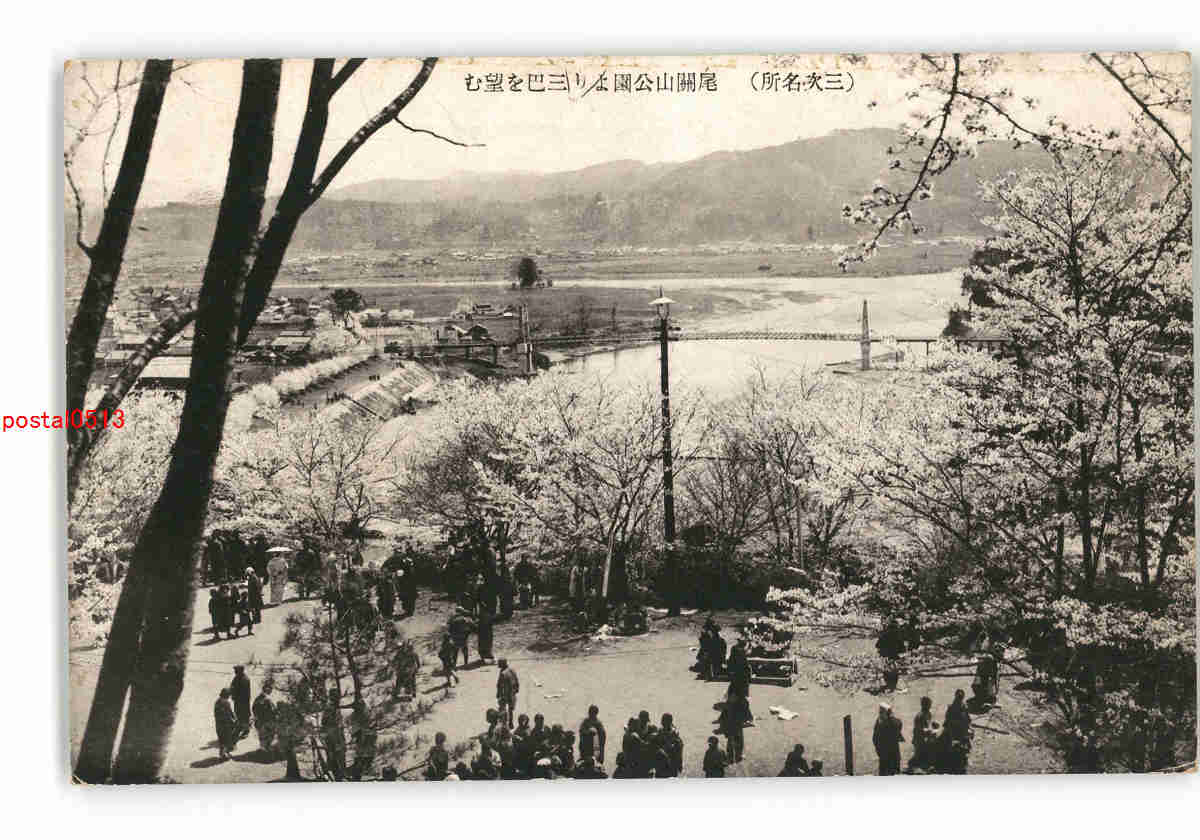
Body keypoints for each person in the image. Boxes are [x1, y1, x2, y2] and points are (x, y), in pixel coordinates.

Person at [941, 688, 973, 774]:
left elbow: (968, 718)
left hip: (961, 730)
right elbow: (948, 720)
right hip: (954, 730)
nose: (959, 699)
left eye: (960, 697)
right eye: (959, 697)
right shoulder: (952, 707)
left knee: (967, 738)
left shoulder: (963, 707)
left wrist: (968, 725)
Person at [872, 702, 905, 776]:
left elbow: (874, 739)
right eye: (880, 712)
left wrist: (878, 750)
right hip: (887, 756)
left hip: (890, 755)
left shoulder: (886, 722)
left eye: (881, 712)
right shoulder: (885, 722)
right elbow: (875, 739)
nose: (880, 714)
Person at [908, 696, 939, 772]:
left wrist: (934, 724)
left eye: (930, 704)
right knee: (921, 757)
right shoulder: (919, 716)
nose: (930, 706)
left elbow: (928, 724)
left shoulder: (928, 713)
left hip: (926, 737)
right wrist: (929, 731)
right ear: (924, 705)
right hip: (919, 739)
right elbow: (919, 730)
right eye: (929, 704)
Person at [321, 691, 346, 781]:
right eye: (335, 696)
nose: (337, 698)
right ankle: (336, 775)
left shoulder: (335, 708)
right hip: (332, 735)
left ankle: (340, 775)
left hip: (337, 734)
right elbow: (324, 722)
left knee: (339, 755)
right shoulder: (329, 707)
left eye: (337, 696)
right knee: (334, 756)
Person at [213, 688, 238, 760]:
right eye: (228, 696)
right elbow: (224, 715)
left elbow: (230, 712)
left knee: (224, 739)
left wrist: (234, 718)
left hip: (223, 725)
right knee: (224, 740)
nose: (228, 698)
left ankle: (224, 753)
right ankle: (223, 755)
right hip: (223, 725)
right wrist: (232, 721)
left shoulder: (222, 702)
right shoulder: (221, 703)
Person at [252, 684, 277, 754]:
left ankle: (264, 749)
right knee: (268, 735)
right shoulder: (267, 699)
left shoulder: (258, 698)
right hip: (266, 721)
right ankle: (266, 749)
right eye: (270, 689)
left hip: (261, 721)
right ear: (266, 689)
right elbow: (272, 710)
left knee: (263, 736)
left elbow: (254, 708)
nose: (271, 691)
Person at [656, 713, 683, 777]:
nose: (662, 722)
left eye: (663, 721)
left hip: (671, 763)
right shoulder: (660, 732)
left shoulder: (674, 734)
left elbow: (679, 749)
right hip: (661, 763)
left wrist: (679, 763)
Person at [496, 658, 520, 728]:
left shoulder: (503, 673)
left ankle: (504, 724)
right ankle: (511, 723)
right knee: (510, 709)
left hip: (505, 694)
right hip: (512, 693)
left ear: (502, 664)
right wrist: (516, 690)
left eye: (499, 663)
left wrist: (498, 694)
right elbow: (516, 680)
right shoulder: (512, 670)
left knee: (502, 709)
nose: (498, 664)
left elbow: (499, 685)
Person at [230, 665, 252, 738]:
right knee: (238, 714)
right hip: (237, 701)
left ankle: (246, 731)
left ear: (241, 671)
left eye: (236, 671)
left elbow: (243, 692)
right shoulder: (236, 678)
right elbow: (232, 686)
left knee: (244, 716)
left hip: (243, 702)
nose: (235, 672)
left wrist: (234, 694)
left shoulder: (245, 679)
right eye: (235, 671)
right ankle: (240, 728)